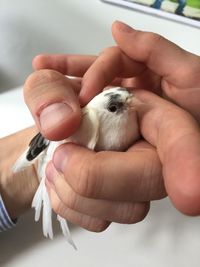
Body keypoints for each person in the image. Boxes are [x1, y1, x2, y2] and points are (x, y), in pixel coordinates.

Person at [0, 21, 200, 232]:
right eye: (116, 107)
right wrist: (36, 169)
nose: (130, 106)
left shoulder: (135, 115)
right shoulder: (91, 118)